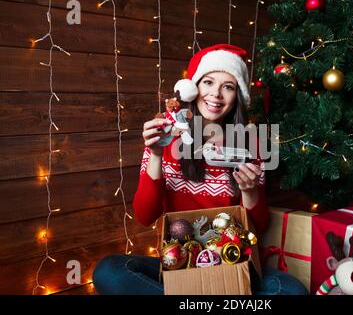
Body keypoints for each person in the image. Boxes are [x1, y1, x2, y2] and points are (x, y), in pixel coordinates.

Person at [92, 44, 309, 295]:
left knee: (291, 290)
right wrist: (156, 156)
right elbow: (144, 216)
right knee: (110, 270)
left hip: (232, 263)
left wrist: (250, 192)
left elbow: (258, 227)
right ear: (193, 89)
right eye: (208, 83)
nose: (216, 94)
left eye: (228, 87)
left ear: (236, 96)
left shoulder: (250, 144)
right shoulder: (166, 136)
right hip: (179, 263)